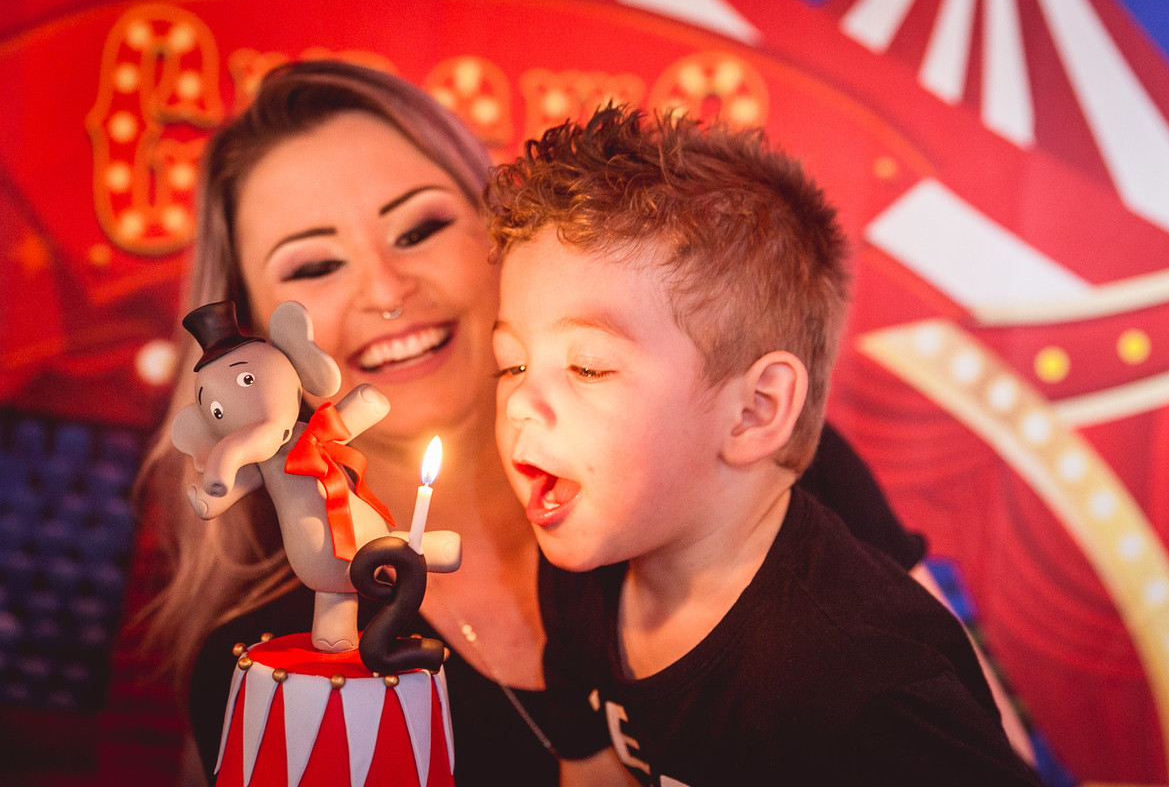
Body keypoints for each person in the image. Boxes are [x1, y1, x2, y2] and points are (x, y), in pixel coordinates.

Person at [135, 61, 1027, 786]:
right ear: (253, 336)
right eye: (315, 266)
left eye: (419, 229)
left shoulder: (755, 472)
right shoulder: (279, 666)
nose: (384, 289)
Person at [485, 104, 1042, 785]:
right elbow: (591, 769)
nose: (519, 402)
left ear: (754, 411)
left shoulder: (865, 683)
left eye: (588, 367)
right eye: (511, 364)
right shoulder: (578, 573)